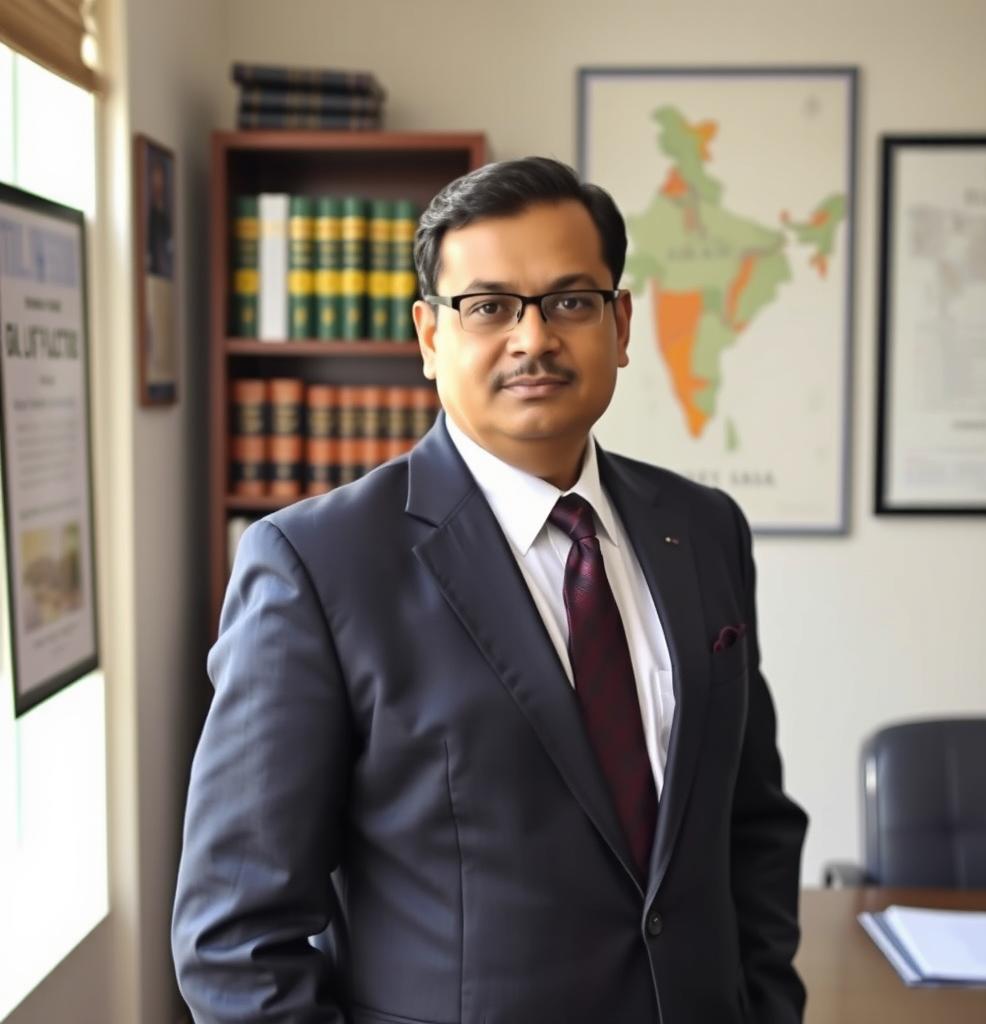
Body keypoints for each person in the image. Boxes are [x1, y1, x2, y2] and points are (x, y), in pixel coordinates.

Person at [172, 157, 808, 1024]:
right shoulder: (316, 566)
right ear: (431, 338)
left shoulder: (702, 531)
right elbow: (235, 938)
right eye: (488, 306)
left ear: (621, 326)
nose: (533, 338)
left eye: (570, 302)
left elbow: (751, 826)